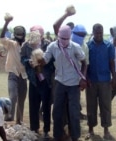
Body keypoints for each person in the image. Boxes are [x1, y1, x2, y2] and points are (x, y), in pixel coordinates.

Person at [38, 7, 87, 141]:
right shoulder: (53, 46)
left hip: (73, 84)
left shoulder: (75, 47)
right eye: (62, 38)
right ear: (58, 36)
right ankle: (57, 136)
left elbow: (84, 63)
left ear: (70, 37)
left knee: (74, 112)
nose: (64, 41)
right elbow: (45, 60)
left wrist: (83, 78)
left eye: (66, 38)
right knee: (57, 111)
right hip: (59, 82)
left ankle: (75, 136)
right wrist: (38, 61)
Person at [85, 23, 116, 140]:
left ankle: (106, 130)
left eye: (101, 33)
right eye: (97, 33)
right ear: (93, 32)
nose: (99, 35)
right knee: (91, 106)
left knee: (105, 106)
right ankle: (91, 129)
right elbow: (86, 64)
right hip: (91, 81)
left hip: (105, 81)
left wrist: (114, 78)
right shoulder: (88, 46)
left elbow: (112, 63)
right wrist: (86, 78)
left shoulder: (109, 46)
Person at [20, 29, 53, 139]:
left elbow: (52, 60)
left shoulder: (48, 45)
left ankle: (46, 131)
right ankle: (34, 129)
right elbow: (22, 58)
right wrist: (28, 62)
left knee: (46, 107)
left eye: (36, 44)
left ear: (40, 39)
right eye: (32, 44)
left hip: (45, 81)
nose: (33, 46)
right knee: (33, 106)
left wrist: (43, 62)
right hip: (34, 81)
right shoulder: (25, 46)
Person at [0, 15, 28, 124]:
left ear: (24, 35)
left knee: (22, 98)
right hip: (13, 74)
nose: (20, 36)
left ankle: (19, 121)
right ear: (15, 36)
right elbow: (2, 38)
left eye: (21, 34)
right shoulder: (11, 44)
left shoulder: (26, 45)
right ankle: (9, 115)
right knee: (13, 96)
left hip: (23, 75)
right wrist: (6, 23)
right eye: (18, 35)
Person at [71, 24, 88, 120]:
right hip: (65, 77)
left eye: (83, 34)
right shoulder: (66, 43)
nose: (80, 36)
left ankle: (76, 116)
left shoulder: (85, 46)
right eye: (78, 34)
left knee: (75, 99)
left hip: (78, 77)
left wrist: (83, 78)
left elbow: (86, 63)